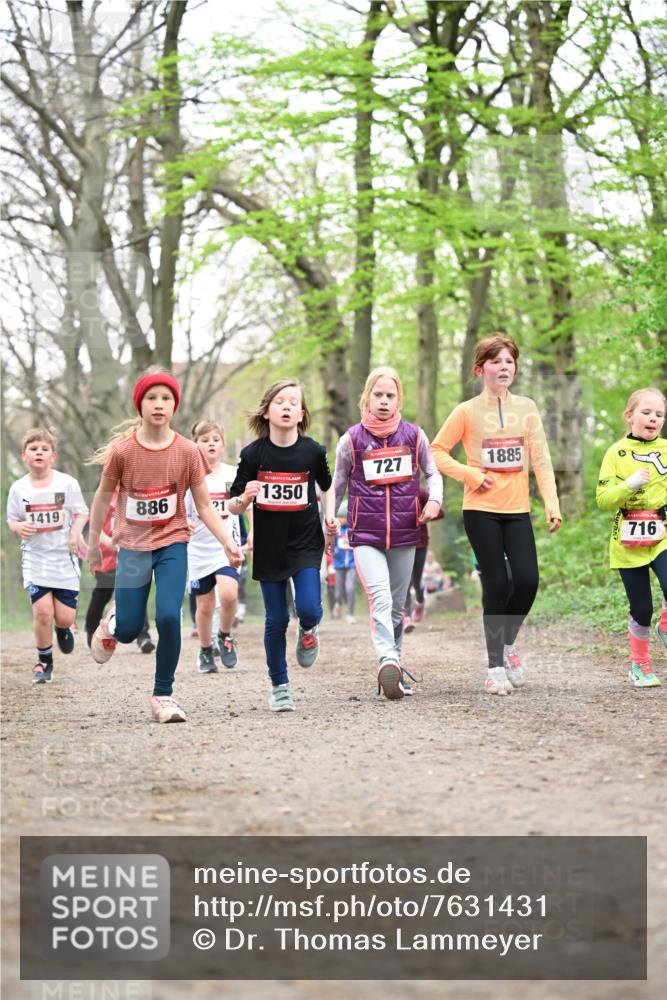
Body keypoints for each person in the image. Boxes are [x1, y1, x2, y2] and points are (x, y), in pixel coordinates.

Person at [86, 369, 243, 723]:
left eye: (166, 398)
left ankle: (163, 695)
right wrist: (94, 543)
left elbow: (204, 506)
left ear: (175, 405)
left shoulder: (188, 452)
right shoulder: (123, 451)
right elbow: (102, 497)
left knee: (170, 617)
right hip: (133, 546)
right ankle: (111, 623)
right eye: (152, 398)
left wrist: (228, 543)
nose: (159, 405)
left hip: (173, 541)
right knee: (128, 629)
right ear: (139, 404)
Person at [431, 335, 561, 695]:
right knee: (497, 583)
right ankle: (493, 668)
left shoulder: (527, 408)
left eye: (509, 361)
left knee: (527, 579)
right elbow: (437, 450)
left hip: (517, 509)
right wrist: (469, 474)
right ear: (480, 369)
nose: (504, 367)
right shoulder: (466, 411)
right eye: (496, 362)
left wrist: (551, 503)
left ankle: (507, 645)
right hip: (480, 509)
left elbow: (541, 460)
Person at [333, 366, 443, 700]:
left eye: (390, 395)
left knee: (397, 606)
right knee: (380, 597)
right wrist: (326, 520)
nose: (383, 401)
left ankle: (392, 669)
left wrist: (435, 500)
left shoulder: (414, 436)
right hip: (365, 534)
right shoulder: (350, 440)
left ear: (399, 400)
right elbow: (337, 484)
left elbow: (432, 472)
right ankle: (387, 658)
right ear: (366, 397)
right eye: (377, 395)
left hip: (406, 533)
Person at [228, 379, 338, 712]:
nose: (287, 406)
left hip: (305, 542)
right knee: (276, 619)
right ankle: (279, 686)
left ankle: (308, 629)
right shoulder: (253, 454)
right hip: (269, 546)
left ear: (302, 413)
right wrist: (244, 499)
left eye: (294, 402)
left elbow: (327, 487)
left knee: (308, 608)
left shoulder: (312, 451)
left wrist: (329, 517)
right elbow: (232, 504)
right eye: (280, 401)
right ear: (267, 410)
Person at [596, 387, 667, 687]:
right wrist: (630, 485)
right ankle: (640, 665)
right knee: (641, 608)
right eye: (646, 412)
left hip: (663, 534)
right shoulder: (615, 453)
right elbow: (603, 499)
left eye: (659, 414)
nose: (653, 419)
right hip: (628, 540)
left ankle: (664, 626)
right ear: (629, 416)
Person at [6, 427, 88, 684]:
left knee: (64, 617)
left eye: (44, 449)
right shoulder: (18, 488)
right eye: (33, 449)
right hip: (35, 557)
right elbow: (12, 520)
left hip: (64, 557)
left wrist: (76, 532)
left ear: (53, 456)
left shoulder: (66, 483)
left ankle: (64, 629)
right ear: (24, 455)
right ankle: (44, 661)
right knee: (42, 612)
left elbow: (81, 512)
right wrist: (18, 527)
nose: (39, 452)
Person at [186, 419, 242, 673]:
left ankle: (225, 635)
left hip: (226, 546)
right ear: (195, 445)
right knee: (205, 605)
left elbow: (244, 505)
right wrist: (185, 523)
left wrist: (254, 534)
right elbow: (182, 511)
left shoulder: (232, 475)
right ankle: (206, 649)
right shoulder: (189, 478)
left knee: (229, 594)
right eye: (204, 440)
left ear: (223, 445)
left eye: (215, 440)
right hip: (198, 549)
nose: (210, 444)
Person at [83, 486, 155, 653]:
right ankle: (91, 629)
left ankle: (143, 636)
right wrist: (108, 541)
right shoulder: (105, 492)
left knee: (136, 592)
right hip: (107, 555)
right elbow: (95, 524)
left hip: (131, 554)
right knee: (102, 594)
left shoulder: (137, 491)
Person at [404, 489, 444, 631]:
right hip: (401, 543)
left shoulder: (421, 493)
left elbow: (439, 513)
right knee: (405, 581)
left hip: (420, 542)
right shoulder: (391, 491)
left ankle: (420, 601)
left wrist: (424, 515)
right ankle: (407, 618)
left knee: (416, 579)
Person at [333, 504, 357, 624]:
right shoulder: (336, 530)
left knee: (350, 587)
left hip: (352, 564)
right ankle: (337, 604)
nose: (340, 519)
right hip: (339, 564)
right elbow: (331, 544)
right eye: (339, 517)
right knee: (338, 591)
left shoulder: (354, 530)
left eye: (342, 517)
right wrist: (334, 551)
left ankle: (350, 614)